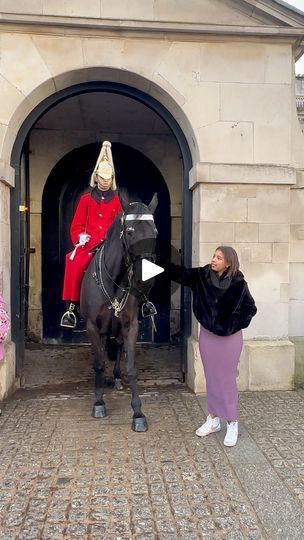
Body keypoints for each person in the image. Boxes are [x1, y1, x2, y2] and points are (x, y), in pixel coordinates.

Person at [167, 246, 257, 447]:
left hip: (230, 339)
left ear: (229, 263)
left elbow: (251, 308)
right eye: (213, 256)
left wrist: (232, 325)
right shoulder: (202, 276)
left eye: (219, 257)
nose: (214, 260)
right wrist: (154, 260)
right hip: (208, 336)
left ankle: (232, 422)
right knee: (211, 377)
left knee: (226, 379)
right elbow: (178, 273)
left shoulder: (239, 284)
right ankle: (213, 418)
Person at [60, 141, 122, 328]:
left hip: (110, 244)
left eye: (108, 178)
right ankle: (71, 307)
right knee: (73, 261)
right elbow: (77, 225)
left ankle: (143, 303)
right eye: (102, 178)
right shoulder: (85, 199)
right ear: (96, 178)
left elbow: (119, 224)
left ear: (112, 179)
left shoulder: (116, 201)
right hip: (90, 244)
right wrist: (80, 237)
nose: (105, 181)